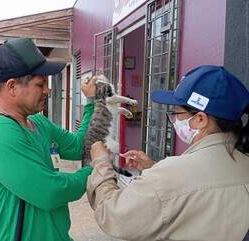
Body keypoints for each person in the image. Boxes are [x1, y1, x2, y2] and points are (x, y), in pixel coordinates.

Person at [87, 65, 249, 241]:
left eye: (176, 113)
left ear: (200, 119)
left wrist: (101, 162)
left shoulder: (171, 174)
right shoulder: (243, 163)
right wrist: (153, 168)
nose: (174, 120)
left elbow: (112, 214)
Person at [0, 38, 96, 241]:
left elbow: (79, 147)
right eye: (40, 84)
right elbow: (50, 192)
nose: (48, 90)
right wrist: (94, 172)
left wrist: (92, 103)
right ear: (12, 87)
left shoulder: (38, 122)